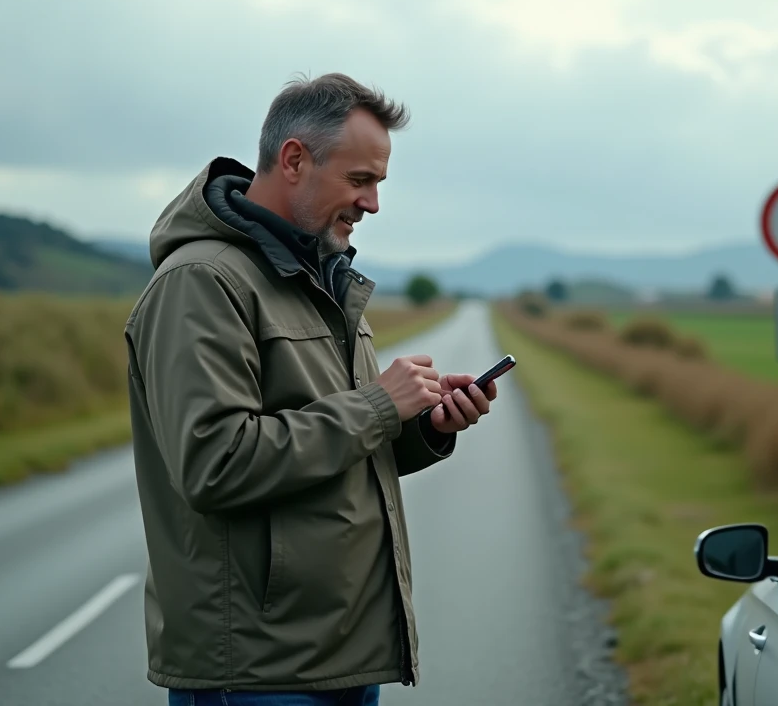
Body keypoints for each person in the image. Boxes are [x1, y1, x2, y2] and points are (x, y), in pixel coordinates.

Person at [124, 73, 498, 706]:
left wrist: (424, 427)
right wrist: (379, 405)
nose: (372, 203)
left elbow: (336, 453)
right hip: (257, 674)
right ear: (294, 160)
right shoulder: (201, 283)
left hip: (341, 660)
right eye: (360, 180)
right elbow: (216, 463)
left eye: (378, 182)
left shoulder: (318, 278)